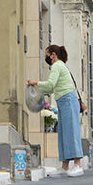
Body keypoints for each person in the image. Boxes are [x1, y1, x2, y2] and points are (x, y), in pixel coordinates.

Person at [27, 45, 84, 177]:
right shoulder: (60, 66)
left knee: (71, 132)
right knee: (64, 134)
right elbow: (52, 89)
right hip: (64, 102)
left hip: (68, 101)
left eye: (47, 54)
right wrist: (37, 87)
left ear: (53, 54)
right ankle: (65, 166)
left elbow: (51, 84)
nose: (46, 57)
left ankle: (78, 164)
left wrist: (35, 83)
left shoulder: (57, 66)